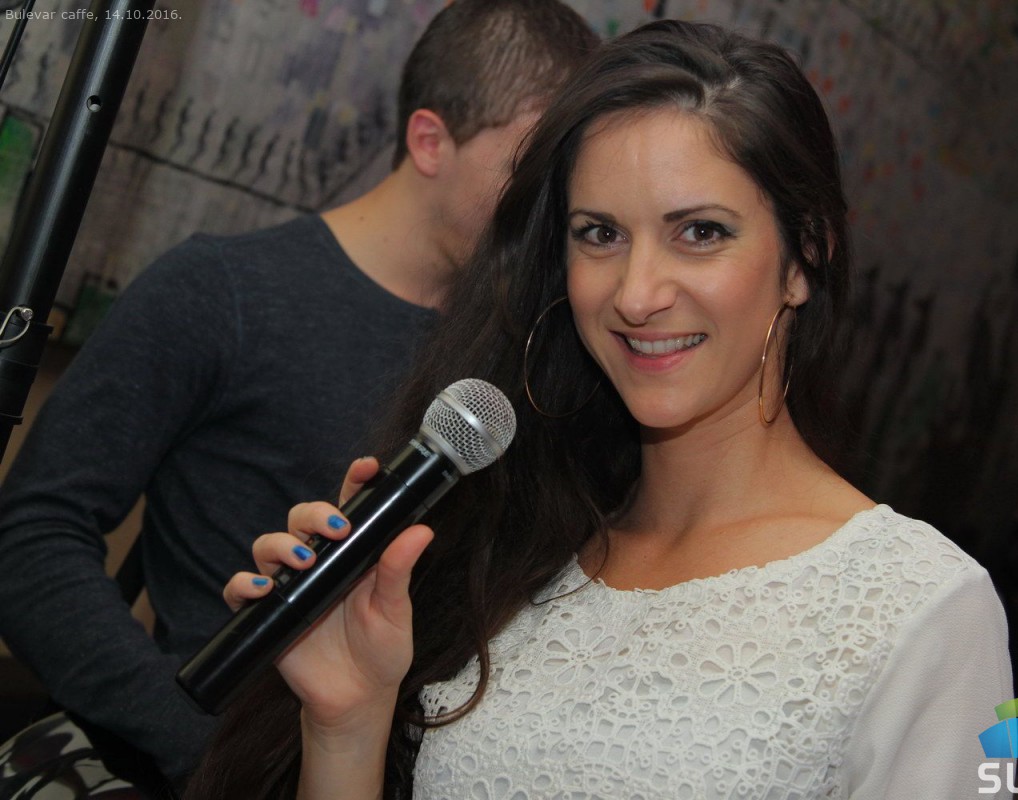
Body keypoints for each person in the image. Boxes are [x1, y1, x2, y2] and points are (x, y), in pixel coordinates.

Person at [191, 20, 1013, 800]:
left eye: (700, 232)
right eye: (600, 234)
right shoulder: (516, 550)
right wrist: (347, 722)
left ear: (803, 258)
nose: (636, 294)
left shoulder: (919, 608)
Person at [0, 0, 598, 788]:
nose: (549, 208)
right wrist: (194, 744)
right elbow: (32, 536)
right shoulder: (222, 290)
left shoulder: (531, 346)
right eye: (530, 168)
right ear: (430, 141)